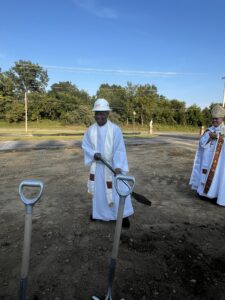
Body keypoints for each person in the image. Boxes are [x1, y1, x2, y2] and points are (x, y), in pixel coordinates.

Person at [82, 98, 134, 228]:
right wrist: (93, 154)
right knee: (99, 192)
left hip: (112, 168)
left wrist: (117, 166)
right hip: (98, 167)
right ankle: (98, 213)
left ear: (107, 114)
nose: (99, 116)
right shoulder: (90, 130)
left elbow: (119, 149)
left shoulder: (115, 130)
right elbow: (85, 145)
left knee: (117, 192)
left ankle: (122, 216)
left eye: (102, 113)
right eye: (97, 113)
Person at [189, 105, 225, 206]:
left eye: (216, 119)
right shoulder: (209, 130)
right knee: (205, 174)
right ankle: (203, 193)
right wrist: (209, 137)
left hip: (219, 162)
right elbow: (201, 143)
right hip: (207, 159)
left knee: (216, 177)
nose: (214, 120)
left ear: (222, 119)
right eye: (213, 118)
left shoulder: (224, 130)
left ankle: (214, 195)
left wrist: (218, 137)